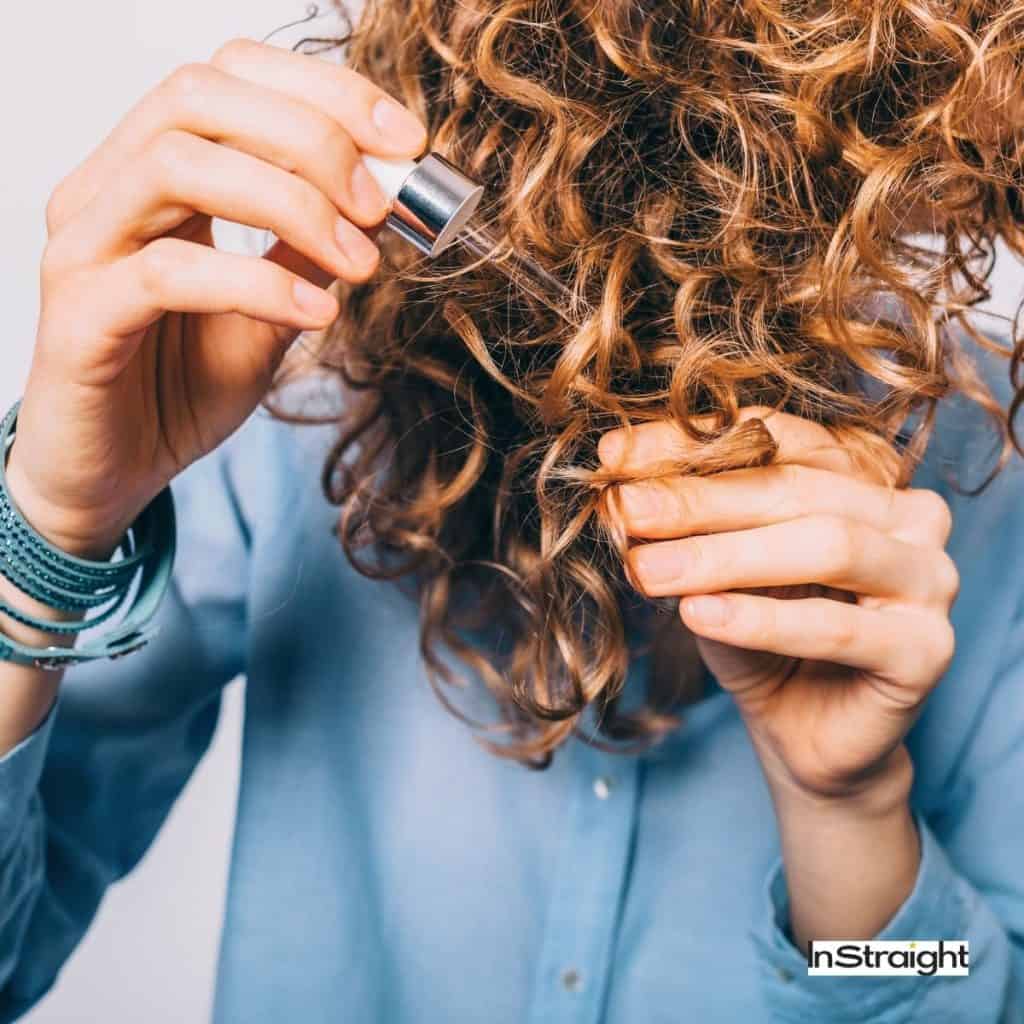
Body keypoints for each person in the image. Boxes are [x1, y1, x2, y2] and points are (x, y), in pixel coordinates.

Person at [1, 2, 1023, 1020]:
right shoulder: (275, 390)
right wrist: (48, 525)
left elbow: (967, 980)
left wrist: (847, 813)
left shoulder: (982, 481)